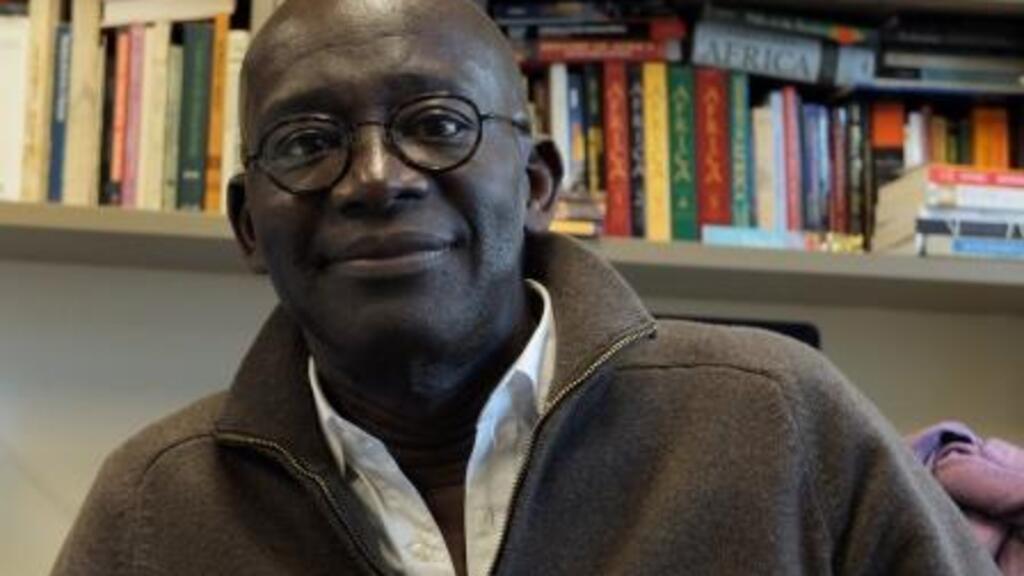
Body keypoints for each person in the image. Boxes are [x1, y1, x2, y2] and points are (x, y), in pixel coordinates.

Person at [52, 0, 999, 574]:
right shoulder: (151, 506)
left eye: (437, 123)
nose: (378, 177)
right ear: (249, 228)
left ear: (539, 185)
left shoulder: (780, 422)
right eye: (308, 144)